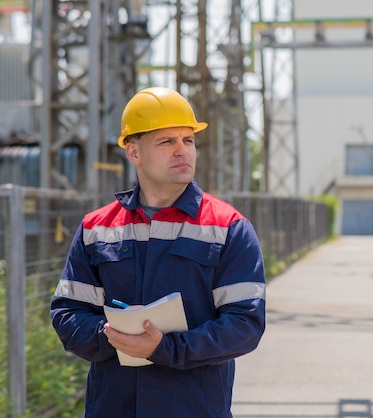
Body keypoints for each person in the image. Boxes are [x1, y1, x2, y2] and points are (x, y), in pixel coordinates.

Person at [50, 87, 266, 417]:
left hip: (194, 409)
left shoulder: (228, 228)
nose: (183, 151)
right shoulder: (97, 229)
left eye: (188, 140)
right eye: (167, 142)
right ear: (134, 152)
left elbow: (244, 325)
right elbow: (67, 312)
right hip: (113, 408)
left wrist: (166, 348)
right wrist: (113, 337)